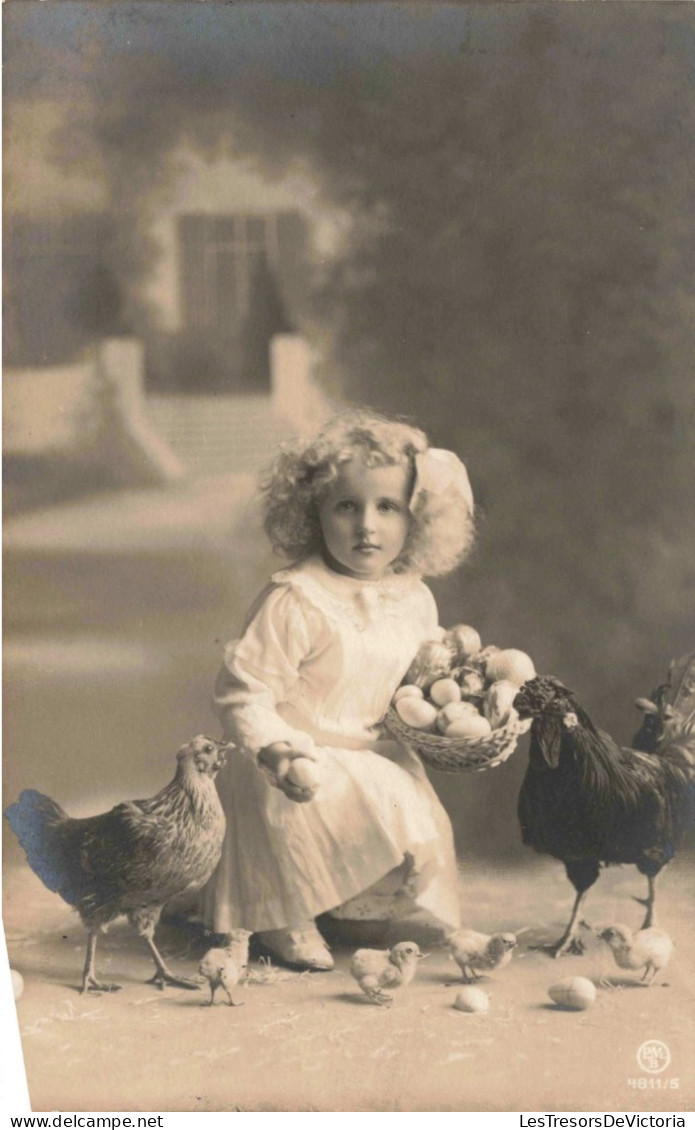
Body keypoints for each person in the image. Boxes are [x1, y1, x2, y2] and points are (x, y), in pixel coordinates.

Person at [201, 409, 476, 971]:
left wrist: (455, 694)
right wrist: (275, 749)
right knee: (304, 802)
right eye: (346, 506)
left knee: (406, 814)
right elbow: (243, 690)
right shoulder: (297, 598)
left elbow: (414, 686)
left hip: (374, 750)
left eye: (387, 507)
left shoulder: (415, 597)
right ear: (314, 511)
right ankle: (281, 914)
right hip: (292, 756)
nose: (367, 526)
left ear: (415, 518)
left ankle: (343, 901)